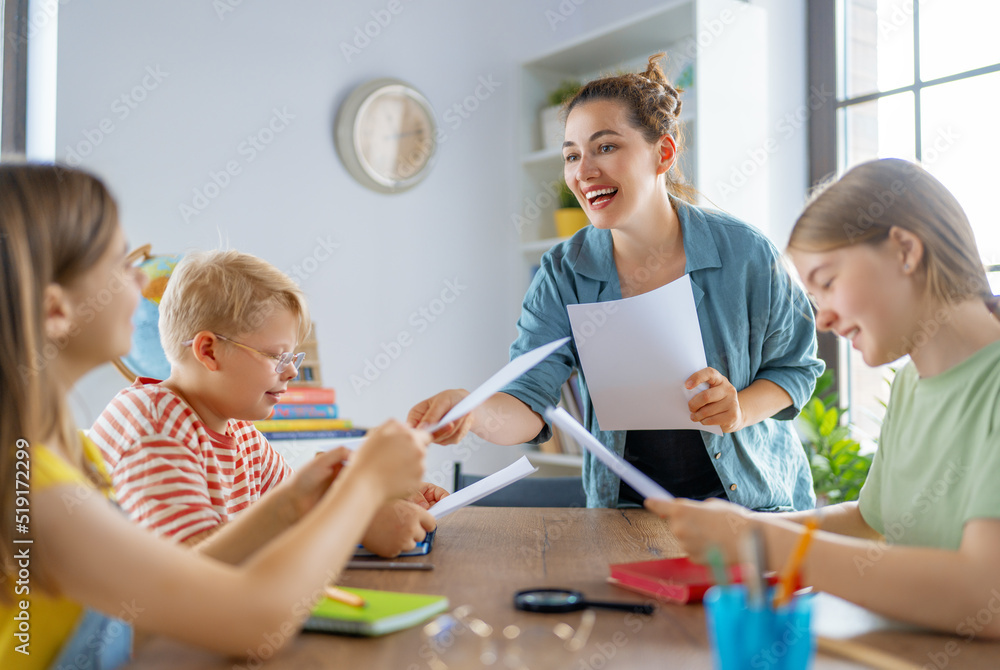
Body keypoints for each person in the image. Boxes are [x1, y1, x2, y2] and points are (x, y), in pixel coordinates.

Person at [0, 163, 430, 669]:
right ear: (55, 311)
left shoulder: (72, 455)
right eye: (119, 263)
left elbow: (150, 617)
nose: (141, 278)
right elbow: (255, 621)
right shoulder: (37, 491)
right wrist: (361, 492)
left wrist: (302, 501)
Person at [409, 54, 824, 511]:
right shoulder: (563, 272)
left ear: (662, 153)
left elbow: (795, 368)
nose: (583, 171)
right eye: (571, 155)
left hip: (753, 510)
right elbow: (529, 401)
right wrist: (474, 410)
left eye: (605, 147)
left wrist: (740, 408)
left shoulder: (745, 253)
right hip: (627, 516)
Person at [647, 158, 1000, 636]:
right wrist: (732, 532)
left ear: (904, 249)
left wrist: (761, 540)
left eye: (829, 283)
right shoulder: (912, 385)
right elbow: (868, 519)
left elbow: (985, 595)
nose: (824, 321)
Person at [89, 249, 446, 557]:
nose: (291, 372)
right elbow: (187, 569)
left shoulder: (240, 432)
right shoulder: (155, 427)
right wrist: (357, 515)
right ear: (209, 351)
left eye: (293, 357)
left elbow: (301, 506)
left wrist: (383, 498)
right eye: (277, 357)